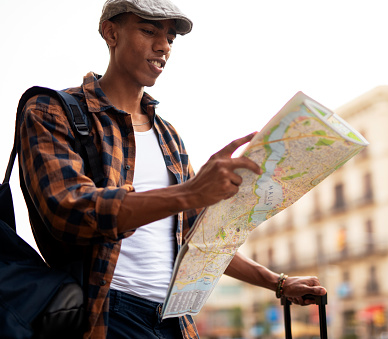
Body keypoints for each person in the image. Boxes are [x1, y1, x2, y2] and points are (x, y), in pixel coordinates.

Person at [18, 0, 327, 338]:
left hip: (175, 319)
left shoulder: (169, 138)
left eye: (170, 38)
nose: (163, 46)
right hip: (105, 314)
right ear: (111, 32)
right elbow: (70, 211)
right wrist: (189, 192)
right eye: (149, 31)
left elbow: (196, 238)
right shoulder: (52, 110)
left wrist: (278, 283)